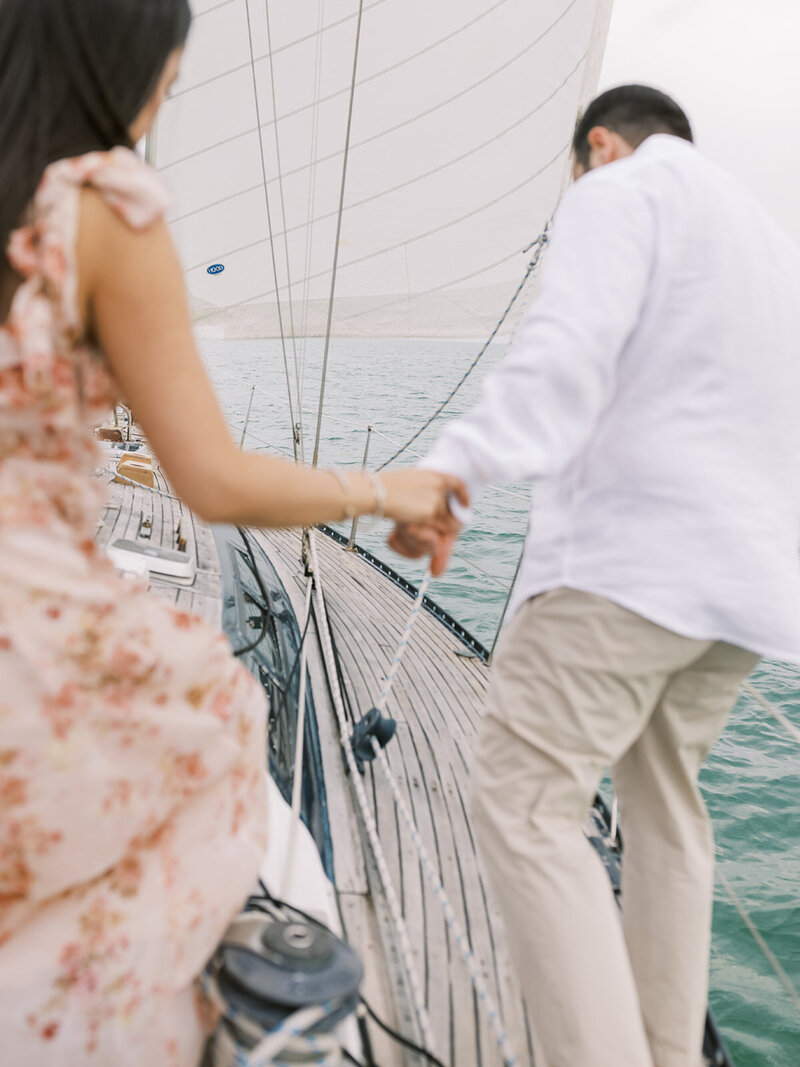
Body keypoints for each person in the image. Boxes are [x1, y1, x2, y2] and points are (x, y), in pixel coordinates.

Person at [0, 2, 465, 1065]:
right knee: (218, 719)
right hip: (28, 622)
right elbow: (210, 479)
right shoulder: (100, 208)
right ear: (122, 65)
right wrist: (388, 488)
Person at [390, 84, 800, 1067]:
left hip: (626, 571)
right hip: (743, 594)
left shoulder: (616, 190)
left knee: (525, 805)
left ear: (598, 147)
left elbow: (562, 348)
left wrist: (453, 470)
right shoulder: (765, 237)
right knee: (666, 809)